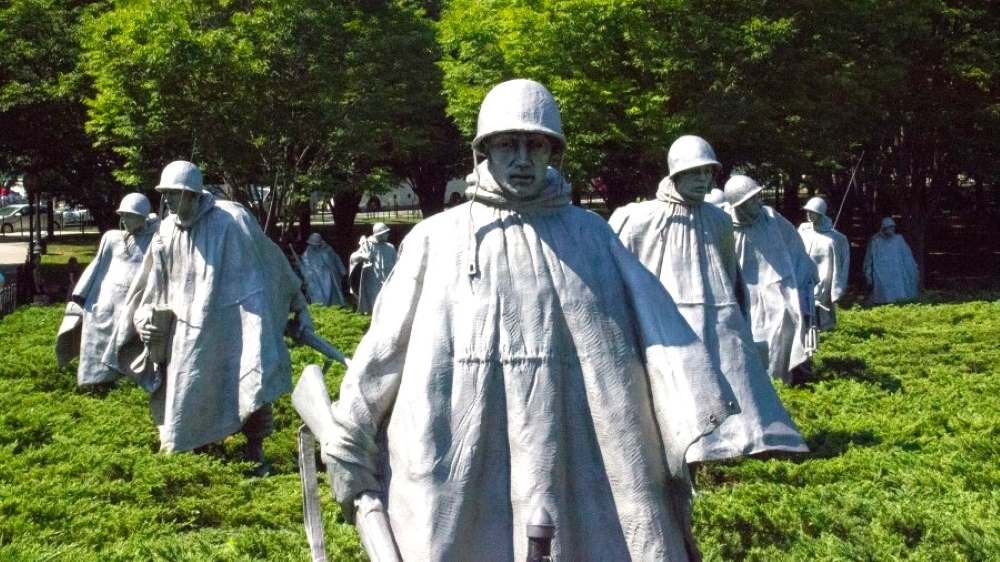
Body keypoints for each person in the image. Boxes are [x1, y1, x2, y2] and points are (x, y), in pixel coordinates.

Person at [316, 80, 741, 561]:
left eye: (535, 144)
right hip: (459, 457)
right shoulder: (436, 239)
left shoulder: (591, 238)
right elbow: (384, 350)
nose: (521, 159)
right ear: (483, 152)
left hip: (578, 461)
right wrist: (350, 433)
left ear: (552, 153)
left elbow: (661, 341)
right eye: (506, 144)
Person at [105, 160, 315, 472]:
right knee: (187, 392)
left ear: (193, 194)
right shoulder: (163, 233)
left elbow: (267, 264)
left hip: (232, 324)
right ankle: (195, 452)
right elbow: (150, 289)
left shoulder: (230, 223)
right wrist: (145, 319)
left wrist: (297, 306)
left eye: (176, 194)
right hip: (183, 333)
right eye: (167, 195)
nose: (170, 201)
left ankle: (255, 451)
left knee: (249, 378)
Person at [609, 136, 807, 462]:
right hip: (668, 317)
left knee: (735, 376)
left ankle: (744, 439)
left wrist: (733, 310)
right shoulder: (642, 217)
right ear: (676, 174)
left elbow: (729, 269)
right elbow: (621, 269)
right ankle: (687, 445)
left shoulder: (718, 220)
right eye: (694, 173)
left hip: (719, 313)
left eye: (707, 173)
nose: (703, 180)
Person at [56, 193, 159, 389]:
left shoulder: (155, 239)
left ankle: (130, 379)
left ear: (143, 217)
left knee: (127, 340)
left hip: (132, 301)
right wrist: (80, 296)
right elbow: (97, 265)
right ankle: (95, 382)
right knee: (94, 333)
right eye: (123, 215)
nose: (125, 220)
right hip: (105, 299)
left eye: (131, 216)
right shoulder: (111, 238)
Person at [724, 175, 818, 384]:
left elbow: (794, 246)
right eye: (752, 199)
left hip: (778, 287)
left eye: (758, 197)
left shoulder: (771, 218)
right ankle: (754, 382)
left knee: (784, 320)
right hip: (743, 292)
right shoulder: (725, 225)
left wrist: (807, 271)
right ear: (739, 205)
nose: (759, 202)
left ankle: (781, 377)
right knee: (752, 332)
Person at [798, 196, 850, 330]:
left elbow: (840, 265)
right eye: (808, 211)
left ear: (821, 214)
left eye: (813, 212)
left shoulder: (834, 239)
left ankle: (825, 330)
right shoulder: (803, 232)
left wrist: (837, 288)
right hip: (803, 277)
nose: (809, 214)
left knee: (821, 307)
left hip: (823, 279)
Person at [863, 216, 919, 304]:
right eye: (890, 227)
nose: (892, 229)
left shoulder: (898, 240)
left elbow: (907, 256)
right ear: (884, 228)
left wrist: (912, 269)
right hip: (882, 273)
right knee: (883, 296)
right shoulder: (875, 241)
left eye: (893, 227)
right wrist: (868, 273)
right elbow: (869, 258)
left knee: (898, 296)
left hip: (897, 273)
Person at [348, 222, 396, 314]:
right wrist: (363, 256)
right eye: (386, 233)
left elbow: (397, 264)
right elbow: (353, 257)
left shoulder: (390, 247)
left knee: (388, 305)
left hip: (388, 280)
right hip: (373, 282)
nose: (388, 234)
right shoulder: (367, 246)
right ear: (380, 234)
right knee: (375, 304)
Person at [299, 232, 347, 306]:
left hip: (328, 276)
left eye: (315, 244)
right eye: (312, 244)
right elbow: (305, 263)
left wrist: (342, 269)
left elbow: (336, 259)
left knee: (330, 292)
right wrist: (305, 272)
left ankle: (333, 307)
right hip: (315, 277)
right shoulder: (308, 251)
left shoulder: (327, 249)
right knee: (319, 295)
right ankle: (320, 307)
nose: (313, 246)